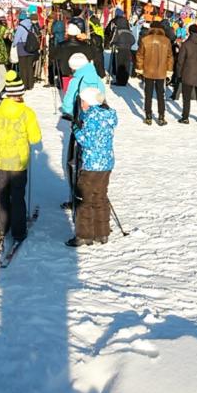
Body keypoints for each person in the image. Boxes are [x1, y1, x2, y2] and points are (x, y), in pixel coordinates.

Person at [0, 70, 42, 247]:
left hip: (2, 160)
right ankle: (19, 231)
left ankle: (2, 227)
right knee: (18, 196)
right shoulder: (27, 113)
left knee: (3, 194)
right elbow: (35, 138)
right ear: (21, 94)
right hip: (19, 162)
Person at [68, 87, 119, 247]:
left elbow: (87, 141)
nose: (81, 104)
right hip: (106, 164)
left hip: (91, 165)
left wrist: (76, 129)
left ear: (88, 102)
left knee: (83, 199)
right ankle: (102, 232)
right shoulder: (108, 115)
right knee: (100, 197)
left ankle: (84, 235)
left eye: (82, 101)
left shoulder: (90, 117)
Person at [59, 51, 109, 208]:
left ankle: (76, 197)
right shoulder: (96, 78)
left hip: (80, 122)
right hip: (95, 121)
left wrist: (68, 113)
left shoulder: (77, 79)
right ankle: (93, 195)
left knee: (74, 160)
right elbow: (102, 97)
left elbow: (68, 101)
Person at [136, 19, 174, 125]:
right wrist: (169, 71)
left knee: (148, 94)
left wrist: (139, 69)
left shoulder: (145, 39)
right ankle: (161, 116)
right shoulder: (166, 40)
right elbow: (170, 57)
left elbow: (139, 55)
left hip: (148, 71)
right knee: (161, 95)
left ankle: (148, 116)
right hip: (161, 71)